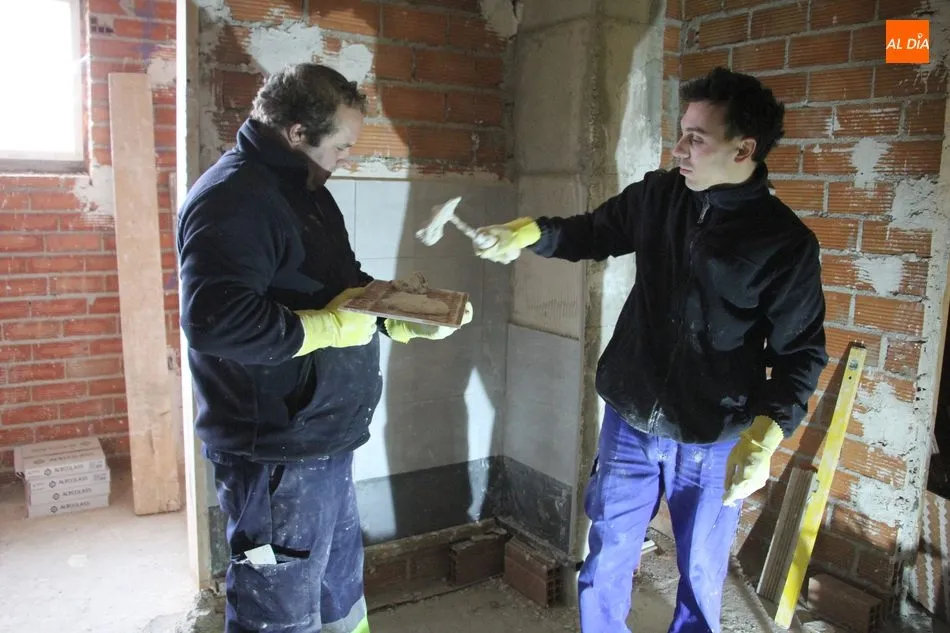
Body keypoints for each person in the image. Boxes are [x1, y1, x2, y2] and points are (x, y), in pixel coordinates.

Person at [472, 66, 828, 633]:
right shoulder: (660, 196)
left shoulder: (784, 242)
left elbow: (800, 352)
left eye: (696, 138)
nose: (678, 148)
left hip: (713, 432)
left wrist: (768, 431)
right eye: (681, 132)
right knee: (607, 557)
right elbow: (593, 232)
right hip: (631, 415)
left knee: (702, 570)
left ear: (743, 149)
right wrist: (533, 232)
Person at [176, 63, 472, 633]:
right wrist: (328, 329)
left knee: (339, 600)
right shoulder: (233, 198)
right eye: (341, 146)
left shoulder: (305, 192)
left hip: (323, 438)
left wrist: (400, 317)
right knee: (280, 614)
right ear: (296, 132)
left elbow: (342, 285)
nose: (345, 158)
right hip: (276, 452)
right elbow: (217, 323)